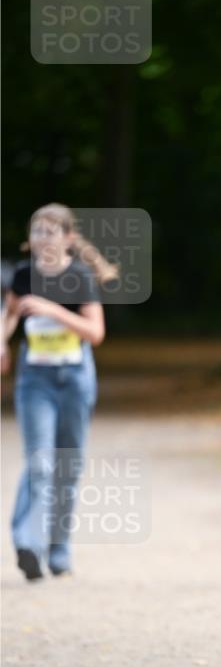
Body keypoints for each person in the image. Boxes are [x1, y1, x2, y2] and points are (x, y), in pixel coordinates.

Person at [1, 204, 109, 581]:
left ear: (68, 238)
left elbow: (95, 333)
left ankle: (59, 550)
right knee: (40, 462)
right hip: (35, 380)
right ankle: (27, 544)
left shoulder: (79, 276)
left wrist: (52, 309)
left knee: (67, 465)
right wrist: (2, 341)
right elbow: (11, 313)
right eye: (36, 231)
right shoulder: (23, 275)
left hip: (75, 379)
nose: (41, 238)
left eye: (49, 231)